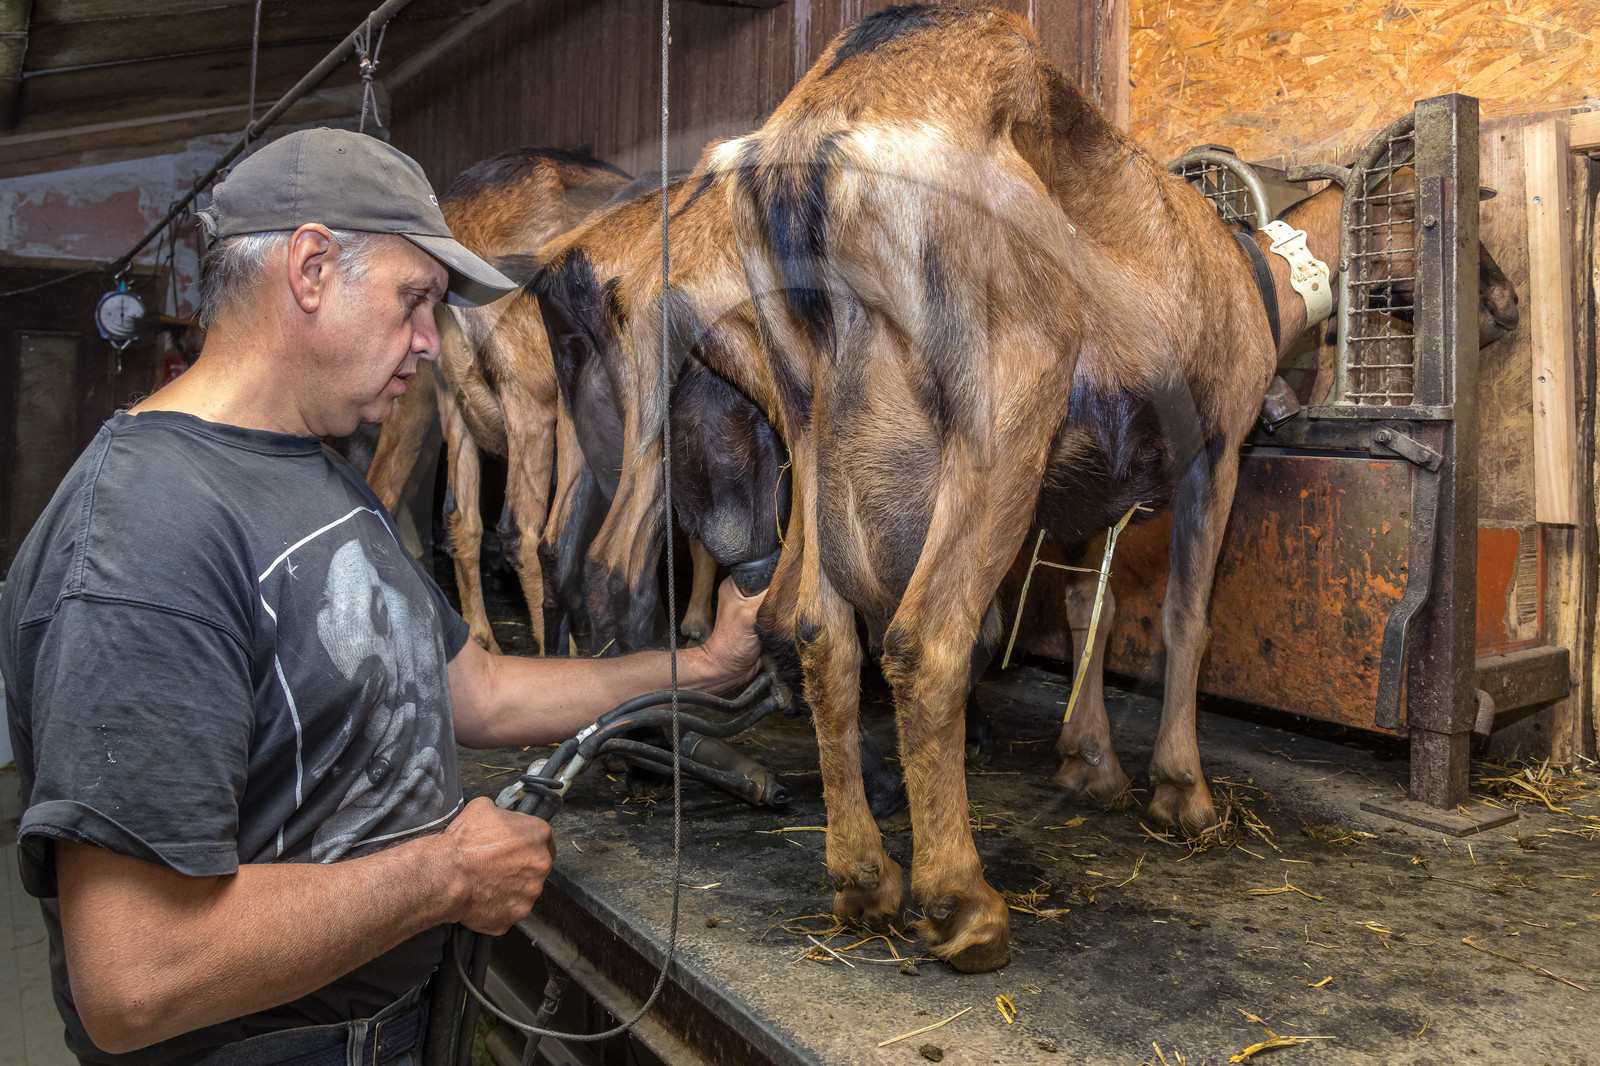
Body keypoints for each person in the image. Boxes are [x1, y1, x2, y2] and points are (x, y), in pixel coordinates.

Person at [0, 128, 764, 1066]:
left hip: (379, 1030)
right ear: (312, 266)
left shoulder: (316, 477)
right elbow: (137, 977)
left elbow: (474, 690)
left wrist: (706, 667)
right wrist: (441, 877)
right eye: (415, 301)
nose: (427, 344)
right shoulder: (143, 538)